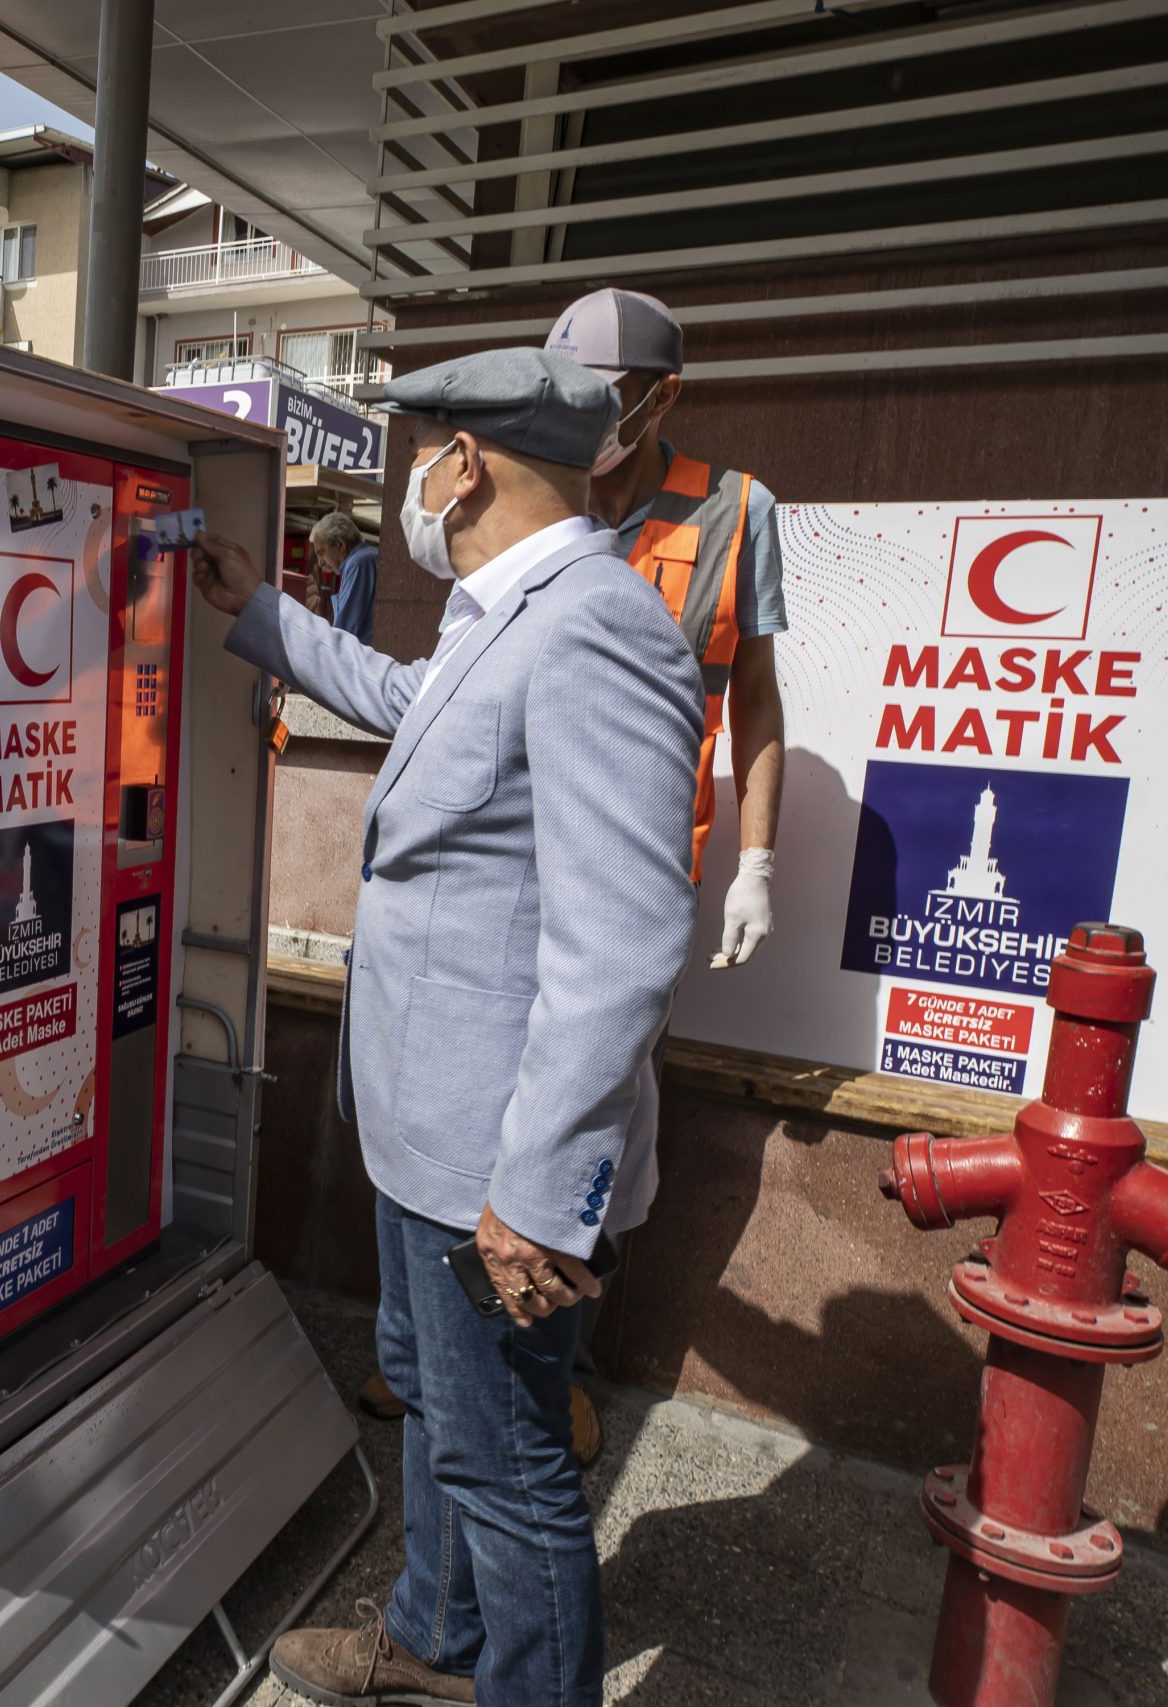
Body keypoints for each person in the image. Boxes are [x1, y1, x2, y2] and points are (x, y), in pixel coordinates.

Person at [190, 348, 702, 1707]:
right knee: (432, 1393)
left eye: (426, 454)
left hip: (498, 1162)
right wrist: (271, 617)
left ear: (464, 463)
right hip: (433, 1133)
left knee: (509, 1456)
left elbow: (627, 939)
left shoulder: (598, 624)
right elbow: (426, 718)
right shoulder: (508, 612)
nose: (418, 479)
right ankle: (430, 1638)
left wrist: (539, 1197)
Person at [546, 288, 787, 966]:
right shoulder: (535, 503)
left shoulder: (736, 511)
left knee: (623, 1068)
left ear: (663, 396)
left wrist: (757, 861)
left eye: (598, 395)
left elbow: (756, 693)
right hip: (524, 854)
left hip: (647, 873)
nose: (576, 415)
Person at [307, 510, 380, 644]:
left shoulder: (358, 563)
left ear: (340, 544)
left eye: (321, 553)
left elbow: (344, 632)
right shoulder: (366, 557)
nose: (320, 562)